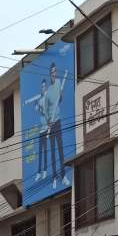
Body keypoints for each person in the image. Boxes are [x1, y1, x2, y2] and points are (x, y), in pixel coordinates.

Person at [45, 62, 70, 190]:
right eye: (52, 72)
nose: (54, 74)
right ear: (50, 74)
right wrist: (48, 121)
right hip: (51, 123)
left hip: (58, 121)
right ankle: (54, 177)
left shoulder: (60, 82)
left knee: (60, 150)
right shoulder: (48, 91)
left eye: (55, 71)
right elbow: (46, 109)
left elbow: (60, 100)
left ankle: (63, 176)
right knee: (53, 151)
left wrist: (61, 95)